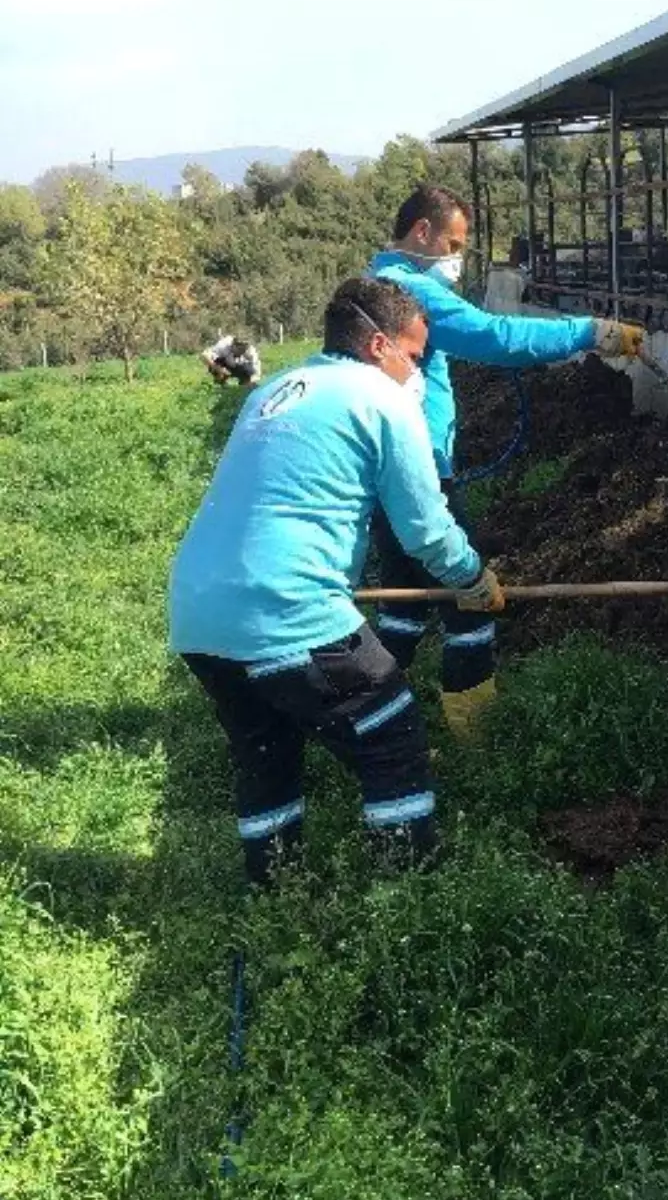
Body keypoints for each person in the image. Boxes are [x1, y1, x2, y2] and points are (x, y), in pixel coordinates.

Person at [169, 277, 503, 887]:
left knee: (265, 751)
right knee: (392, 735)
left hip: (198, 614)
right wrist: (473, 578)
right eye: (415, 355)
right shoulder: (382, 399)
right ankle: (408, 897)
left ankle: (275, 893)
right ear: (380, 345)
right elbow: (425, 529)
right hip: (286, 609)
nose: (417, 372)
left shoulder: (273, 390)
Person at [366, 184, 644, 740]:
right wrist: (590, 333)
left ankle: (366, 720)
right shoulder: (410, 290)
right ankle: (477, 740)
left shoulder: (375, 285)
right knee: (468, 604)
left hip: (387, 472)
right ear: (422, 232)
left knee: (403, 602)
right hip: (420, 473)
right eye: (454, 243)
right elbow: (495, 336)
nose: (457, 258)